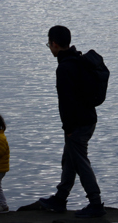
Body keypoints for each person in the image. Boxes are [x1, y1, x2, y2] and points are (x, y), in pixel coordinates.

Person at [37, 26, 105, 218]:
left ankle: (95, 203)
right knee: (70, 159)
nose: (49, 47)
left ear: (55, 44)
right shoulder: (78, 60)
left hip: (77, 124)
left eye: (49, 44)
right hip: (88, 120)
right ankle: (60, 198)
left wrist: (68, 128)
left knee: (80, 162)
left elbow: (66, 102)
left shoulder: (65, 68)